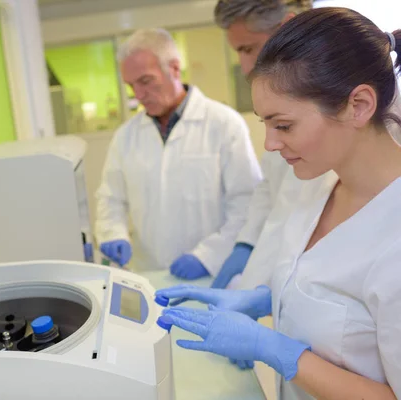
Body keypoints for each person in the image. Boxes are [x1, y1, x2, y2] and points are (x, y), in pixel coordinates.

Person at [156, 8, 401, 400]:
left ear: (358, 105)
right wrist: (265, 299)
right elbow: (338, 295)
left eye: (283, 126)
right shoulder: (321, 187)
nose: (269, 144)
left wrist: (274, 349)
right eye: (265, 125)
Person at [95, 28, 262, 278]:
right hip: (148, 274)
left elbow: (247, 203)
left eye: (145, 81)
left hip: (212, 275)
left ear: (174, 68)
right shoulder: (126, 136)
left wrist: (207, 256)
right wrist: (114, 234)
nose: (138, 95)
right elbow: (111, 199)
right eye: (131, 86)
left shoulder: (224, 123)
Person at [211, 0, 313, 289]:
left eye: (248, 48)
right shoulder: (287, 97)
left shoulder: (330, 102)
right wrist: (245, 245)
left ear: (286, 28)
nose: (245, 66)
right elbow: (272, 189)